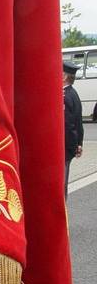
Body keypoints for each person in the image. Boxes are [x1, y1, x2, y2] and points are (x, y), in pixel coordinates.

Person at [63, 60, 84, 197]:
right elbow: (79, 123)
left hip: (65, 147)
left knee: (61, 184)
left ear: (64, 76)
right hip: (71, 146)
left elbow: (68, 125)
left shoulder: (64, 97)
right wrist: (79, 144)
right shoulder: (73, 93)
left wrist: (72, 147)